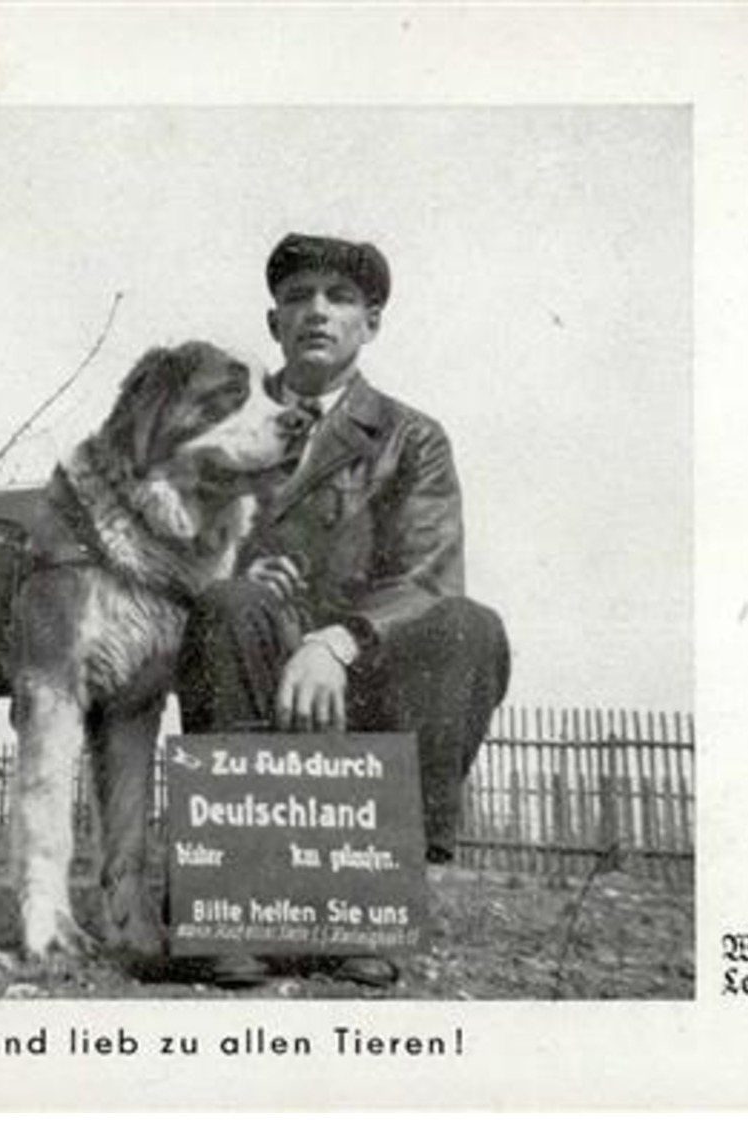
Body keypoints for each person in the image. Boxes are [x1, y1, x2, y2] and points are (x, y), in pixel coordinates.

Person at [175, 232, 512, 988]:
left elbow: (428, 576)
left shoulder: (411, 437)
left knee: (469, 627)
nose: (316, 313)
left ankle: (370, 895)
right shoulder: (217, 427)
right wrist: (227, 565)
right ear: (273, 324)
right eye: (297, 298)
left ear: (372, 323)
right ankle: (236, 902)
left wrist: (337, 640)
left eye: (339, 298)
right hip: (246, 656)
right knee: (228, 603)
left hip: (364, 681)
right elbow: (164, 540)